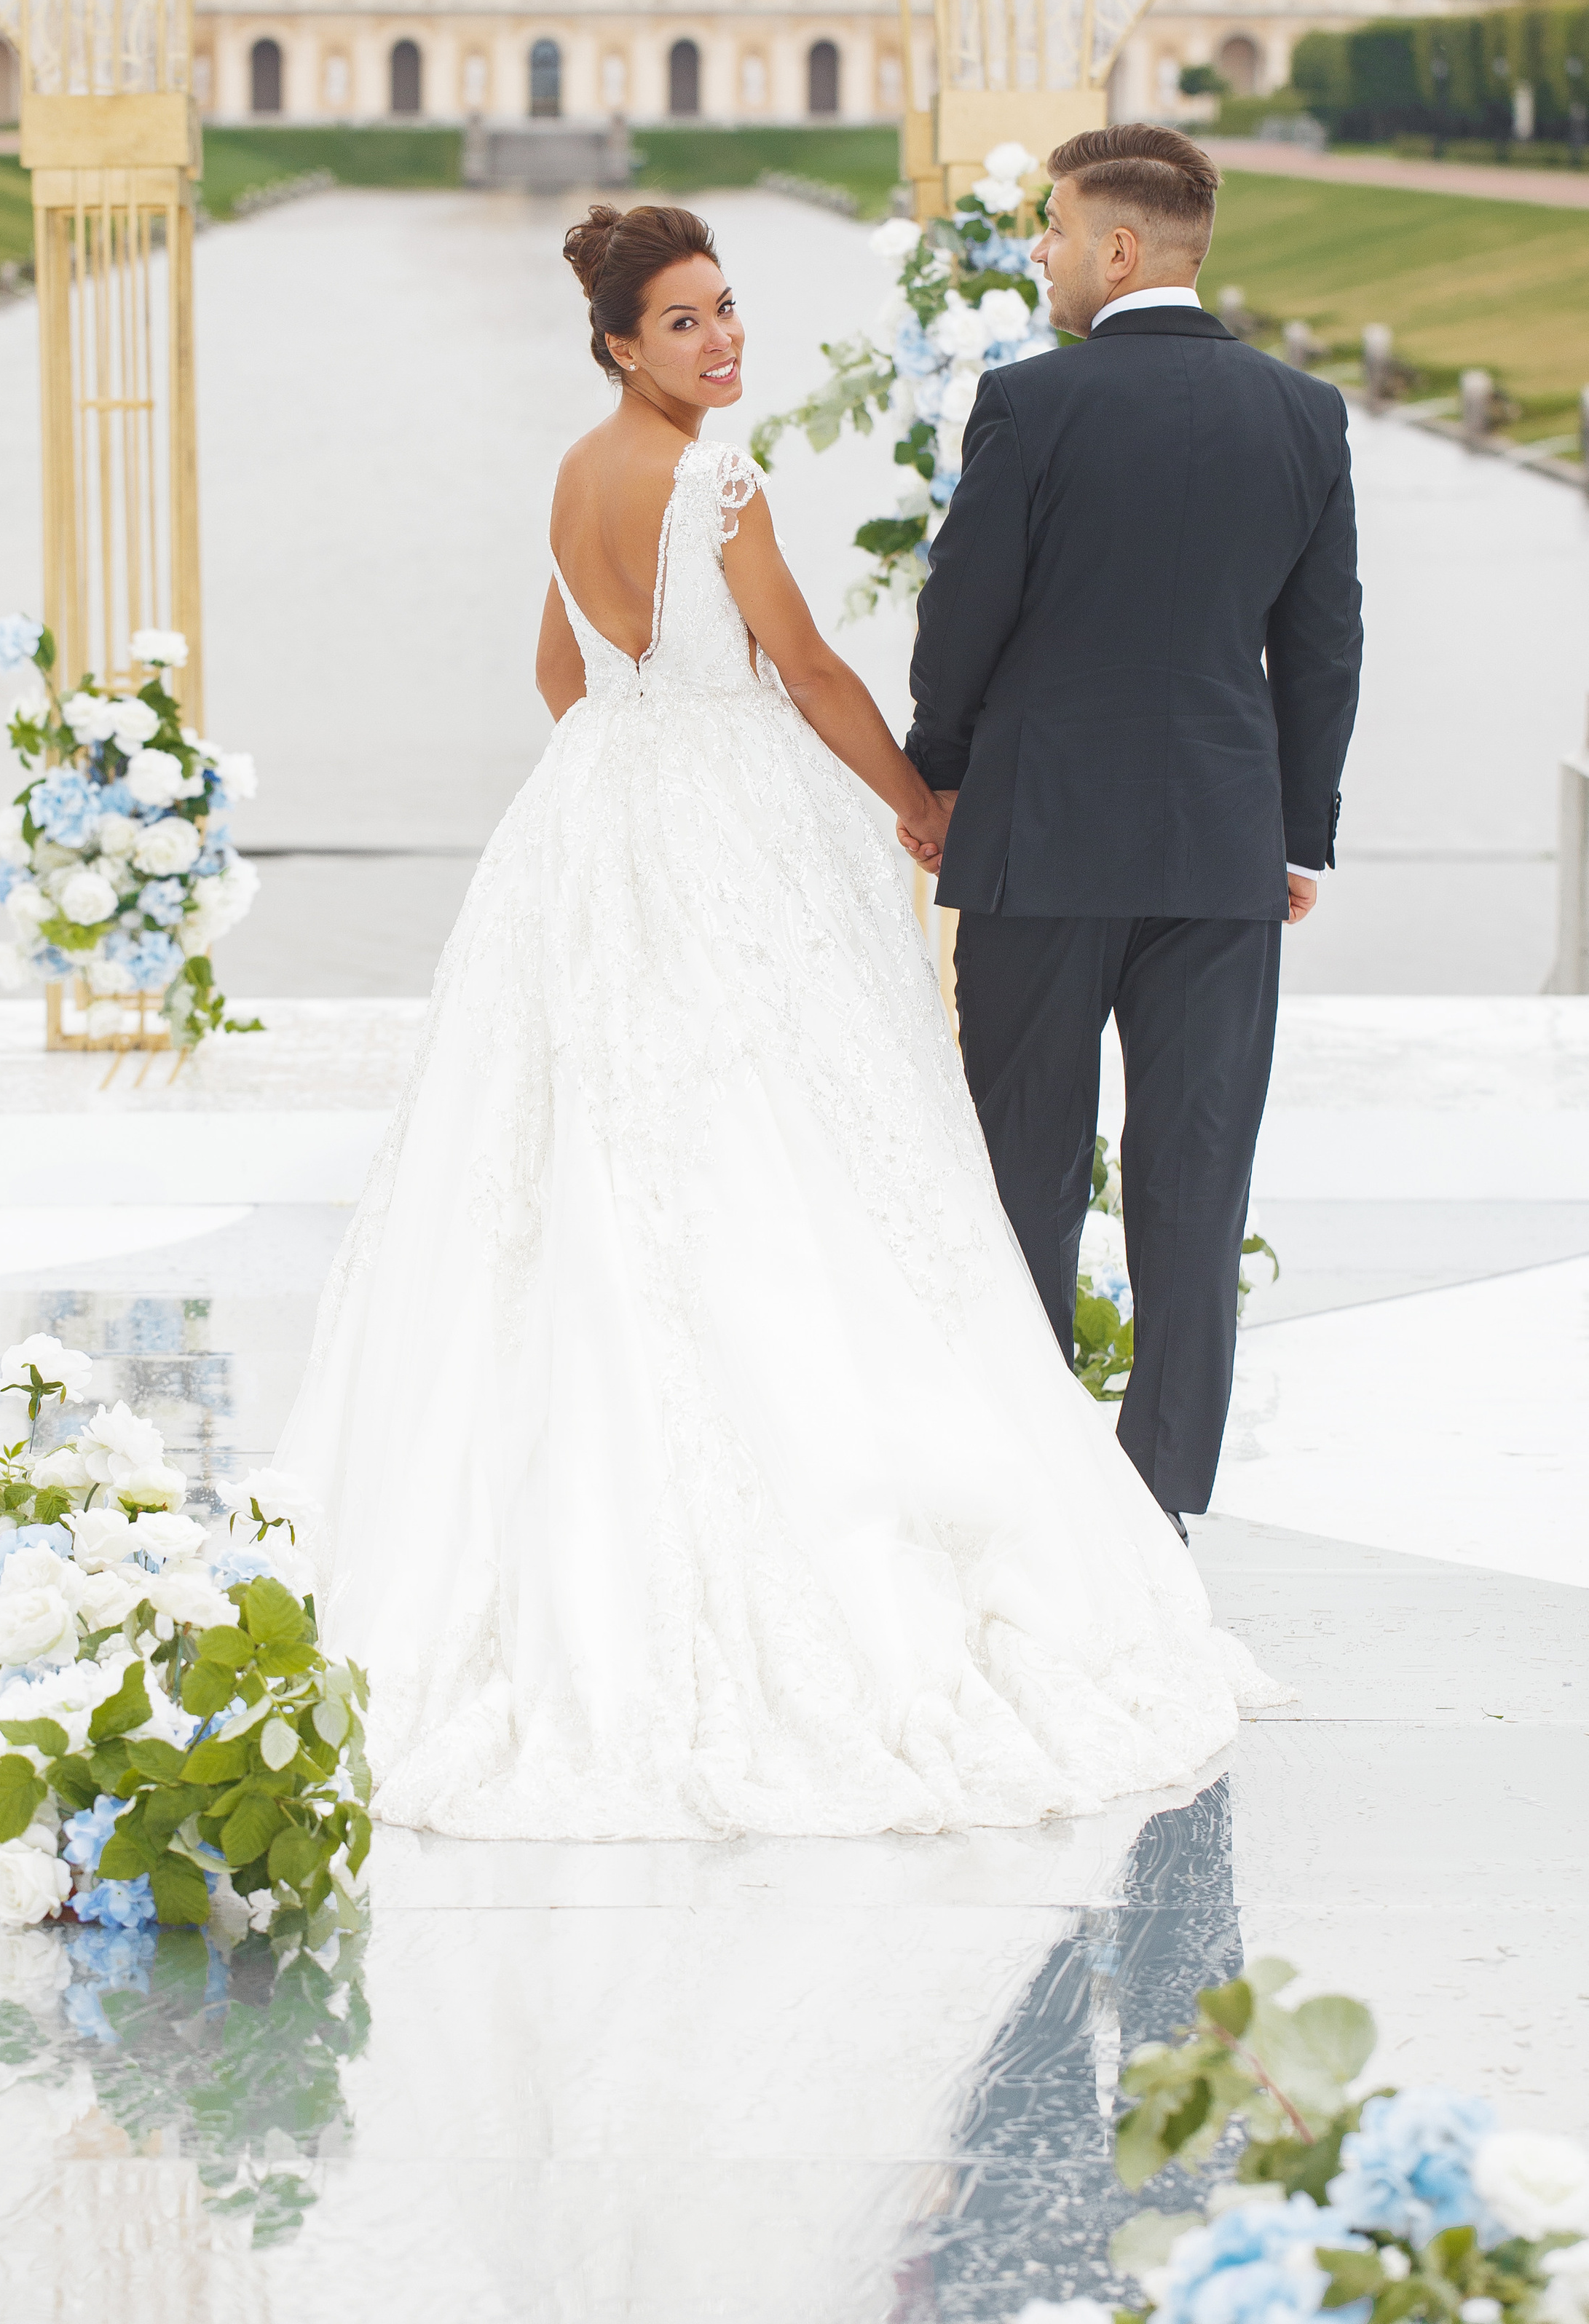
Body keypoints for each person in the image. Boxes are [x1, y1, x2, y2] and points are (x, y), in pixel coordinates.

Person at [275, 199, 1274, 1843]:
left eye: (726, 307)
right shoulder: (714, 480)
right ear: (619, 344)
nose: (722, 338)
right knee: (782, 1123)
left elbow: (561, 677)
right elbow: (805, 667)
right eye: (683, 321)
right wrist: (916, 804)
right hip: (724, 815)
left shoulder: (573, 473)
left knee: (588, 1137)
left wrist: (641, 744)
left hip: (593, 816)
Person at [902, 123, 1362, 1536]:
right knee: (1194, 1185)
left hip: (1037, 844)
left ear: (1115, 248)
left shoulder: (1028, 405)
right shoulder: (1304, 414)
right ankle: (1157, 1509)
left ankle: (1033, 1488)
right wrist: (1294, 837)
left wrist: (937, 775)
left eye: (1051, 228)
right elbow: (1323, 647)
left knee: (1020, 1177)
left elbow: (961, 617)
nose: (1039, 253)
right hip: (1221, 853)